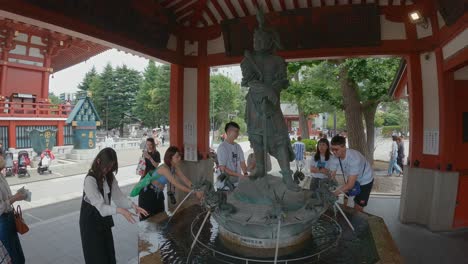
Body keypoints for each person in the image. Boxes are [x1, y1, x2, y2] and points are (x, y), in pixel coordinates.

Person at [240, 10, 299, 191]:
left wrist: (272, 89)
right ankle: (260, 168)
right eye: (254, 41)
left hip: (272, 105)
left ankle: (287, 176)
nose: (257, 43)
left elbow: (282, 80)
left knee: (280, 138)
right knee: (256, 138)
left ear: (269, 41)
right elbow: (248, 80)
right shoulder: (247, 60)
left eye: (261, 40)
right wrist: (264, 89)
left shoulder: (278, 60)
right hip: (254, 104)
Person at [79, 148, 148, 264]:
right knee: (96, 257)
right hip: (90, 223)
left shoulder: (109, 176)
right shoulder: (90, 180)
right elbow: (101, 208)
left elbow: (119, 198)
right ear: (98, 161)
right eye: (106, 167)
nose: (108, 170)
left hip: (103, 221)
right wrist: (121, 211)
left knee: (109, 254)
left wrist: (133, 206)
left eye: (111, 167)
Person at [137, 146, 203, 220]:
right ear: (170, 158)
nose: (179, 158)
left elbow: (186, 180)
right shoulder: (164, 169)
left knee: (161, 217)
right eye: (177, 157)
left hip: (158, 194)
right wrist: (194, 192)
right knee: (147, 221)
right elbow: (176, 184)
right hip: (148, 194)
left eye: (179, 156)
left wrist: (196, 189)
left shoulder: (174, 167)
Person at [330, 135, 374, 212]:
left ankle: (356, 218)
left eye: (336, 149)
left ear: (344, 147)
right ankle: (345, 211)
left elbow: (350, 185)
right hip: (352, 176)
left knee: (358, 207)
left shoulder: (354, 158)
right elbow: (332, 175)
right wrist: (330, 186)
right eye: (332, 149)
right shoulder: (335, 157)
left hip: (365, 179)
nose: (333, 152)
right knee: (345, 194)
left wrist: (334, 194)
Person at [0, 156, 26, 264]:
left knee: (19, 256)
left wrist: (17, 195)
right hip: (2, 222)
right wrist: (15, 198)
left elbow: (6, 197)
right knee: (12, 258)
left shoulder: (1, 175)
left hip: (10, 218)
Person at [216, 122, 249, 189]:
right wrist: (239, 175)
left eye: (238, 131)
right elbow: (223, 168)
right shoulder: (222, 147)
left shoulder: (238, 146)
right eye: (236, 131)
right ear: (228, 132)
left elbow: (242, 163)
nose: (238, 134)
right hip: (225, 185)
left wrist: (245, 174)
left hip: (237, 183)